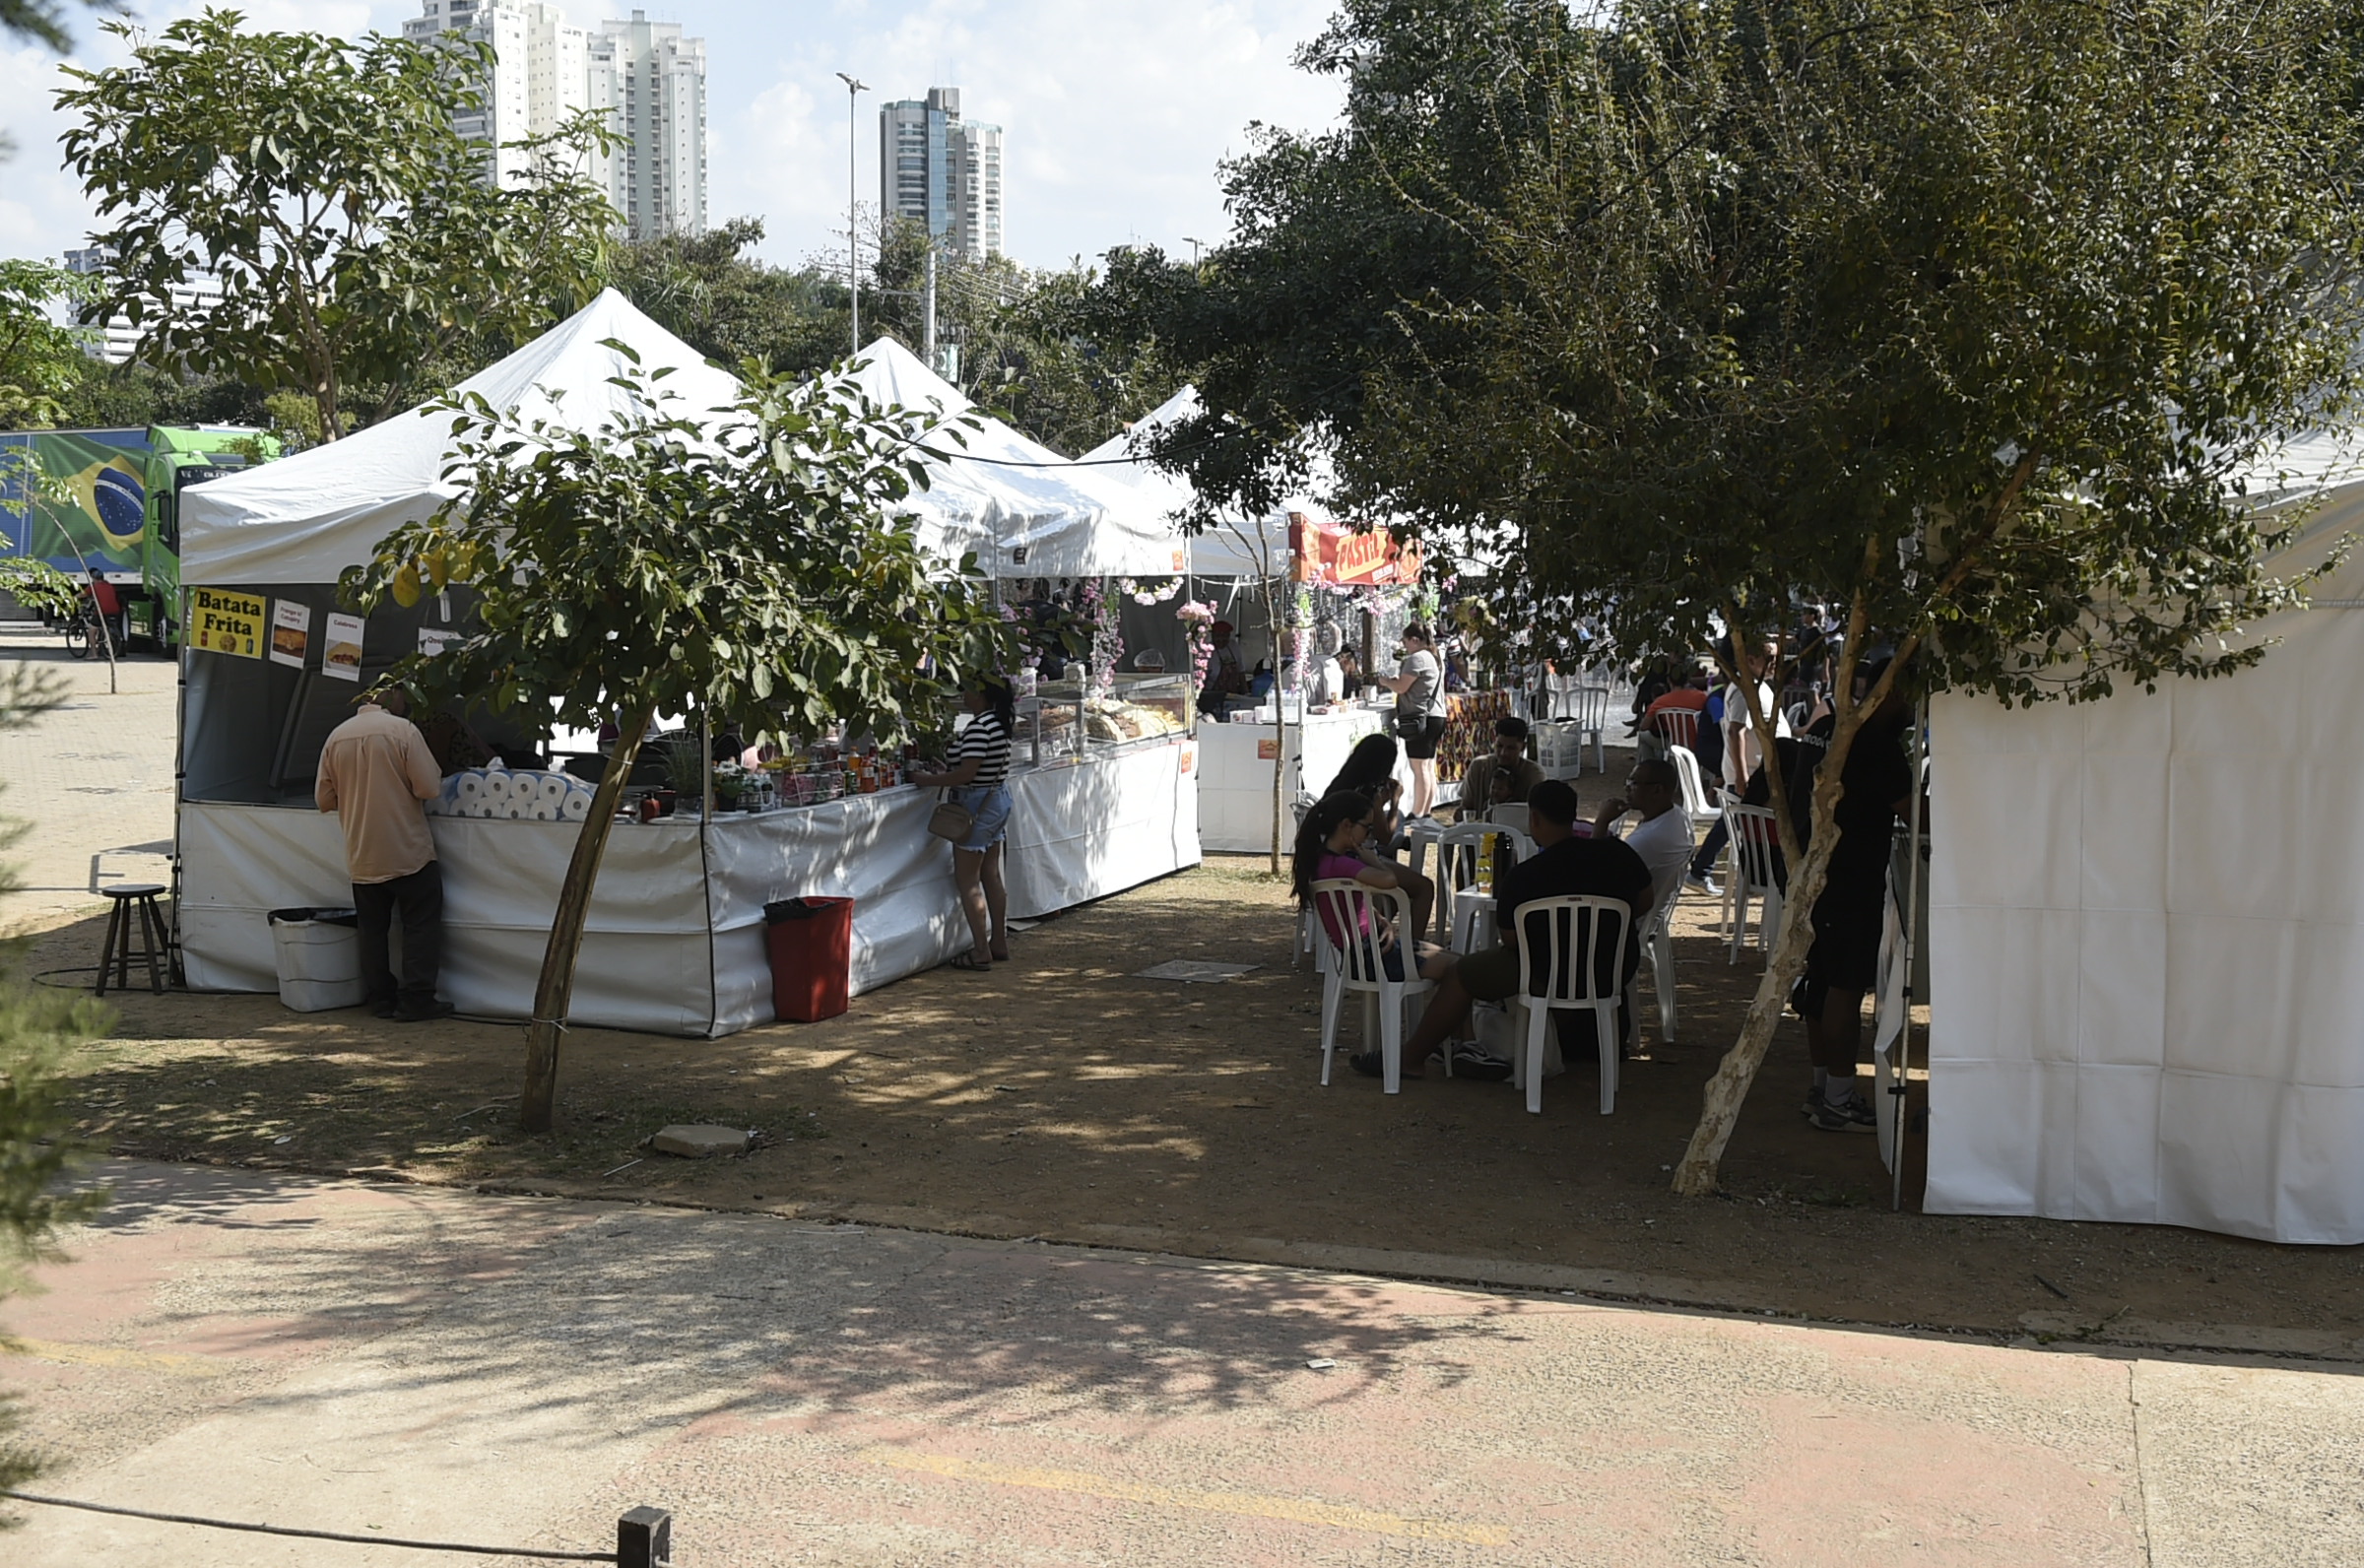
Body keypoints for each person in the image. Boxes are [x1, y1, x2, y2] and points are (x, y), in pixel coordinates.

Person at [1374, 780, 1655, 1080]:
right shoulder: (1618, 854)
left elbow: (1510, 938)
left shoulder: (1525, 875)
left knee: (1460, 973)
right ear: (1573, 816)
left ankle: (1413, 1057)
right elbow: (1645, 900)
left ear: (1534, 818)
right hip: (1612, 968)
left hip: (1546, 974)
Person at [1789, 660, 1915, 1132]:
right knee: (1844, 987)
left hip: (1811, 876)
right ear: (1894, 693)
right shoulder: (1876, 744)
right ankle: (1838, 1100)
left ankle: (1823, 1088)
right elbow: (1916, 813)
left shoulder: (1827, 728)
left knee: (1822, 982)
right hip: (1849, 881)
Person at [315, 683, 452, 1021]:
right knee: (420, 924)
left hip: (362, 853)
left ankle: (380, 999)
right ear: (393, 698)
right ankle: (418, 999)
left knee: (372, 930)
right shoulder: (403, 731)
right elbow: (429, 788)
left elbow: (324, 800)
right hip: (408, 850)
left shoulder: (336, 737)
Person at [912, 678, 1018, 971]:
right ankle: (998, 940)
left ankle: (981, 950)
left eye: (969, 689)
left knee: (968, 880)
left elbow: (967, 774)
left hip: (976, 803)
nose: (964, 694)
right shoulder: (998, 723)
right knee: (990, 875)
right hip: (995, 798)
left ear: (981, 694)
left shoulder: (980, 727)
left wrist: (929, 780)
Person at [1292, 790, 1442, 976]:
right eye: (1367, 828)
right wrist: (1374, 861)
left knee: (1445, 956)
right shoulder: (1342, 864)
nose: (1369, 834)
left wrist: (1380, 920)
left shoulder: (1323, 860)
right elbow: (1390, 881)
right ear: (1347, 825)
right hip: (1371, 956)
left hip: (1365, 950)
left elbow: (1347, 904)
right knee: (1455, 967)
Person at [1594, 758, 1694, 926]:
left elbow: (1593, 875)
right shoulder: (1678, 816)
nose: (1627, 788)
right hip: (1650, 912)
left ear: (1657, 790)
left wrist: (1601, 822)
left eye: (1634, 783)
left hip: (1624, 921)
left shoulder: (1647, 840)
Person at [1378, 622, 1445, 818]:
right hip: (1435, 716)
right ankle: (1426, 812)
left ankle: (1417, 814)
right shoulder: (1432, 657)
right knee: (1427, 767)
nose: (1404, 646)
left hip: (1421, 718)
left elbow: (1401, 687)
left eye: (1405, 641)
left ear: (1414, 640)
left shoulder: (1417, 658)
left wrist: (1385, 681)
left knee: (1420, 768)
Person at [1456, 716, 1546, 822]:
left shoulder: (1534, 774)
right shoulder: (1479, 767)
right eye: (1499, 746)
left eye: (1511, 748)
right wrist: (1460, 813)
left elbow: (1538, 817)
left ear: (1523, 747)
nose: (1504, 753)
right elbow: (1466, 808)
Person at [1199, 620, 1249, 718]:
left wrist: (1246, 693)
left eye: (1224, 636)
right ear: (1212, 635)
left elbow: (1241, 671)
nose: (1221, 640)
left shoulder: (1233, 646)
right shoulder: (1207, 651)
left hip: (1232, 694)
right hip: (1212, 695)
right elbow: (1202, 677)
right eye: (1218, 636)